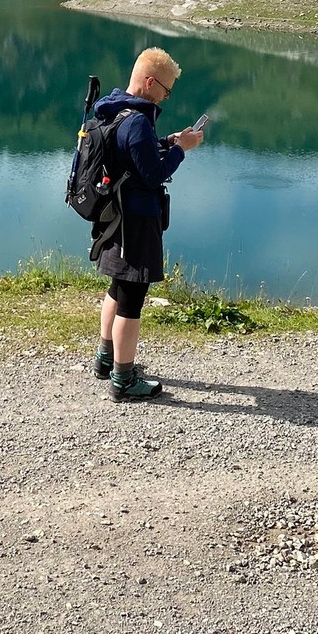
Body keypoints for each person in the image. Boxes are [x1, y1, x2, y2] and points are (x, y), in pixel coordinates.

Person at [90, 46, 203, 402]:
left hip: (113, 218)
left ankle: (106, 359)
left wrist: (167, 142)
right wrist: (181, 150)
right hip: (136, 221)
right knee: (132, 299)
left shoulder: (112, 110)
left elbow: (133, 155)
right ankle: (123, 380)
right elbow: (152, 176)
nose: (166, 98)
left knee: (117, 287)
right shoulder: (138, 120)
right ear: (150, 82)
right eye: (166, 91)